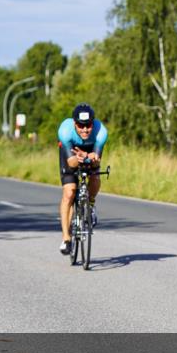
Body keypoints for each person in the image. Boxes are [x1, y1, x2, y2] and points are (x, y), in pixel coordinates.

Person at [57, 103, 108, 255]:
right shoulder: (65, 131)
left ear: (93, 123)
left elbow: (96, 162)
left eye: (88, 125)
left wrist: (91, 157)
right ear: (74, 123)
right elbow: (71, 163)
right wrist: (79, 157)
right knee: (69, 192)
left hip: (91, 151)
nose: (85, 130)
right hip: (71, 154)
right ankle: (66, 238)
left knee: (95, 177)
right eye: (80, 126)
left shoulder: (100, 132)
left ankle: (90, 205)